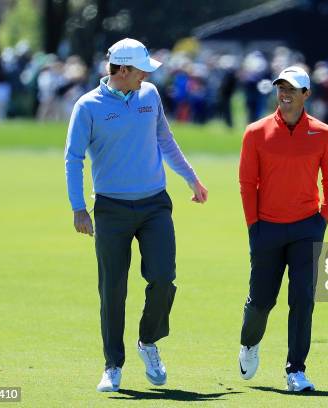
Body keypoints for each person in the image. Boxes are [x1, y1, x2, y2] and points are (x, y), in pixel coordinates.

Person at [64, 38, 208, 393]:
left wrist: (191, 178)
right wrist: (78, 207)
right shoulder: (87, 106)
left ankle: (148, 341)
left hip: (155, 204)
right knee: (112, 290)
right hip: (111, 208)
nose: (147, 74)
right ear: (123, 70)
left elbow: (165, 140)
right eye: (141, 69)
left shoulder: (150, 96)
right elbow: (73, 158)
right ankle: (113, 365)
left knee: (163, 278)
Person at [237, 66, 328, 392]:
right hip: (266, 227)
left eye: (292, 89)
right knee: (261, 302)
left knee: (303, 299)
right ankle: (249, 343)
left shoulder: (323, 134)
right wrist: (254, 227)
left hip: (306, 228)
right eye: (281, 87)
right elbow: (246, 183)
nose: (285, 93)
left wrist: (321, 220)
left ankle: (296, 370)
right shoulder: (256, 132)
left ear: (306, 94)